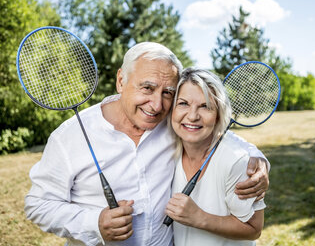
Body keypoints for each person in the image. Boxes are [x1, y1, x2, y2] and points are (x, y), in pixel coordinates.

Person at [24, 42, 269, 246]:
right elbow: (38, 205)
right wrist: (94, 222)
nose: (156, 105)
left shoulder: (171, 121)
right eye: (147, 88)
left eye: (167, 93)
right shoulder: (71, 135)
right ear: (121, 80)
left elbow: (214, 133)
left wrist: (256, 159)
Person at [165, 68, 265, 245]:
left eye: (205, 106)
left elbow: (253, 228)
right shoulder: (168, 149)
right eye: (183, 103)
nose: (193, 116)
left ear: (218, 114)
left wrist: (200, 218)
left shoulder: (237, 161)